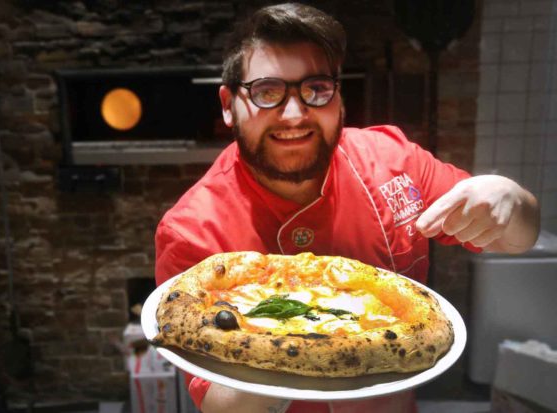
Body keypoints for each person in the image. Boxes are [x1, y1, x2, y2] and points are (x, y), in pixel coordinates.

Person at [154, 3, 540, 413]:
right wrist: (292, 333)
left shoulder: (395, 162)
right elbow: (219, 408)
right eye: (267, 92)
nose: (293, 113)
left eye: (315, 89)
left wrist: (511, 197)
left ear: (338, 98)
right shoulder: (192, 229)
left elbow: (520, 239)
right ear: (228, 105)